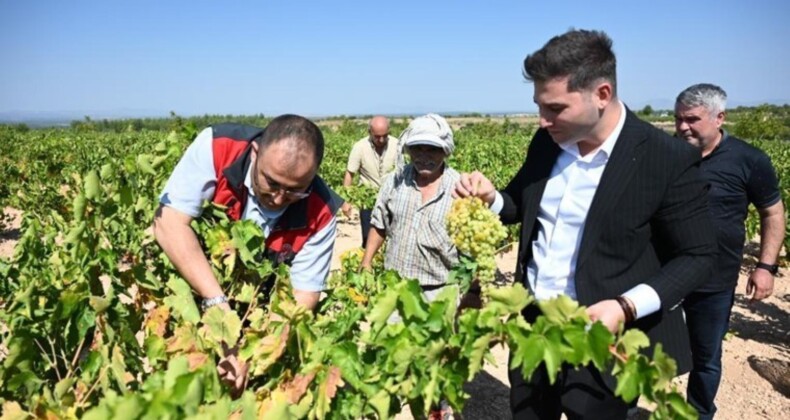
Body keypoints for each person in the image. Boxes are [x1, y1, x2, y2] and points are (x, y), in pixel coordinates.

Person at [455, 29, 717, 419]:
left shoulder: (664, 159)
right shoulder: (547, 142)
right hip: (534, 325)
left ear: (602, 95)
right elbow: (518, 206)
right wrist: (492, 199)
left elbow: (697, 255)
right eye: (539, 106)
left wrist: (626, 307)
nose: (542, 120)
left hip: (601, 336)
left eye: (555, 108)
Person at [153, 114, 342, 394]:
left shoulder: (322, 211)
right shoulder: (218, 147)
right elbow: (168, 223)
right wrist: (218, 306)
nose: (278, 198)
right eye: (272, 183)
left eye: (294, 191)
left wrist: (252, 351)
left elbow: (303, 295)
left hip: (260, 313)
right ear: (256, 153)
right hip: (190, 289)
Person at [674, 83, 785, 419]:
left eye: (691, 119)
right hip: (663, 274)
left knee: (706, 358)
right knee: (647, 348)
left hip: (716, 278)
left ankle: (698, 413)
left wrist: (766, 266)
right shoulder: (667, 153)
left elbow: (773, 213)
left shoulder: (749, 160)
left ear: (719, 117)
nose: (682, 127)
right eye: (678, 119)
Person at [341, 115, 399, 247]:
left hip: (392, 200)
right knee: (369, 241)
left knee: (392, 240)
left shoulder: (397, 145)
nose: (381, 139)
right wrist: (345, 201)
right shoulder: (359, 147)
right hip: (368, 202)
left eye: (385, 135)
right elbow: (350, 174)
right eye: (377, 136)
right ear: (369, 132)